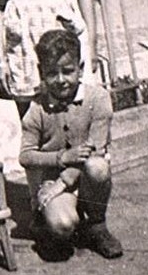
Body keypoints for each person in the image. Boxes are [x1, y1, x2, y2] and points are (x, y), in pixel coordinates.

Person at [19, 29, 123, 260]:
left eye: (67, 71)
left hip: (84, 178)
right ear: (41, 72)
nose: (60, 80)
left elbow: (96, 149)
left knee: (98, 166)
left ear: (81, 68)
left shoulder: (98, 99)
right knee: (63, 225)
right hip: (52, 181)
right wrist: (61, 158)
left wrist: (63, 182)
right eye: (51, 73)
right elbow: (25, 156)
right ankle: (50, 220)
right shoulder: (37, 108)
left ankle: (97, 224)